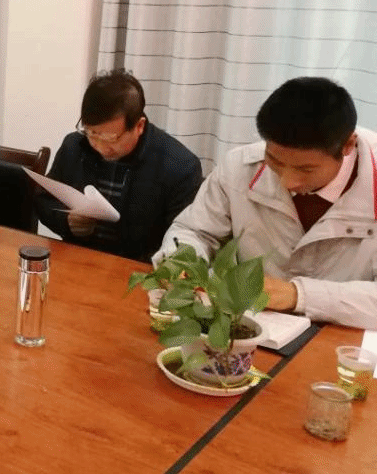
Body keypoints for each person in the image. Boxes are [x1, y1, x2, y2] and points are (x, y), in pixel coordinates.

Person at [157, 77, 377, 330]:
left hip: (342, 336)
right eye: (275, 161)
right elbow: (194, 231)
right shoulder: (240, 167)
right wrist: (182, 264)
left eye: (305, 169)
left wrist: (297, 295)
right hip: (247, 325)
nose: (287, 181)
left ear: (348, 145)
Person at [34, 70, 202, 261]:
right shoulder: (75, 146)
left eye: (110, 138)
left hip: (138, 270)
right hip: (78, 261)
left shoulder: (180, 167)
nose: (100, 146)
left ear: (139, 126)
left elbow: (182, 244)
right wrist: (67, 222)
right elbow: (44, 202)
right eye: (92, 133)